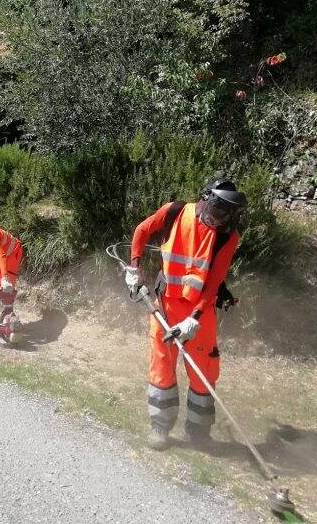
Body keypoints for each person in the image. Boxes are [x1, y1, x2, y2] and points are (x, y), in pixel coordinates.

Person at [127, 179, 246, 450]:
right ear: (205, 198)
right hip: (165, 304)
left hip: (199, 311)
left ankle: (199, 431)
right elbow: (142, 231)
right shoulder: (174, 212)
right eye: (215, 212)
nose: (216, 221)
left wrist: (194, 318)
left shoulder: (228, 236)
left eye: (224, 216)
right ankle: (160, 426)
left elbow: (213, 283)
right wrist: (133, 268)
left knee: (203, 369)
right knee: (162, 364)